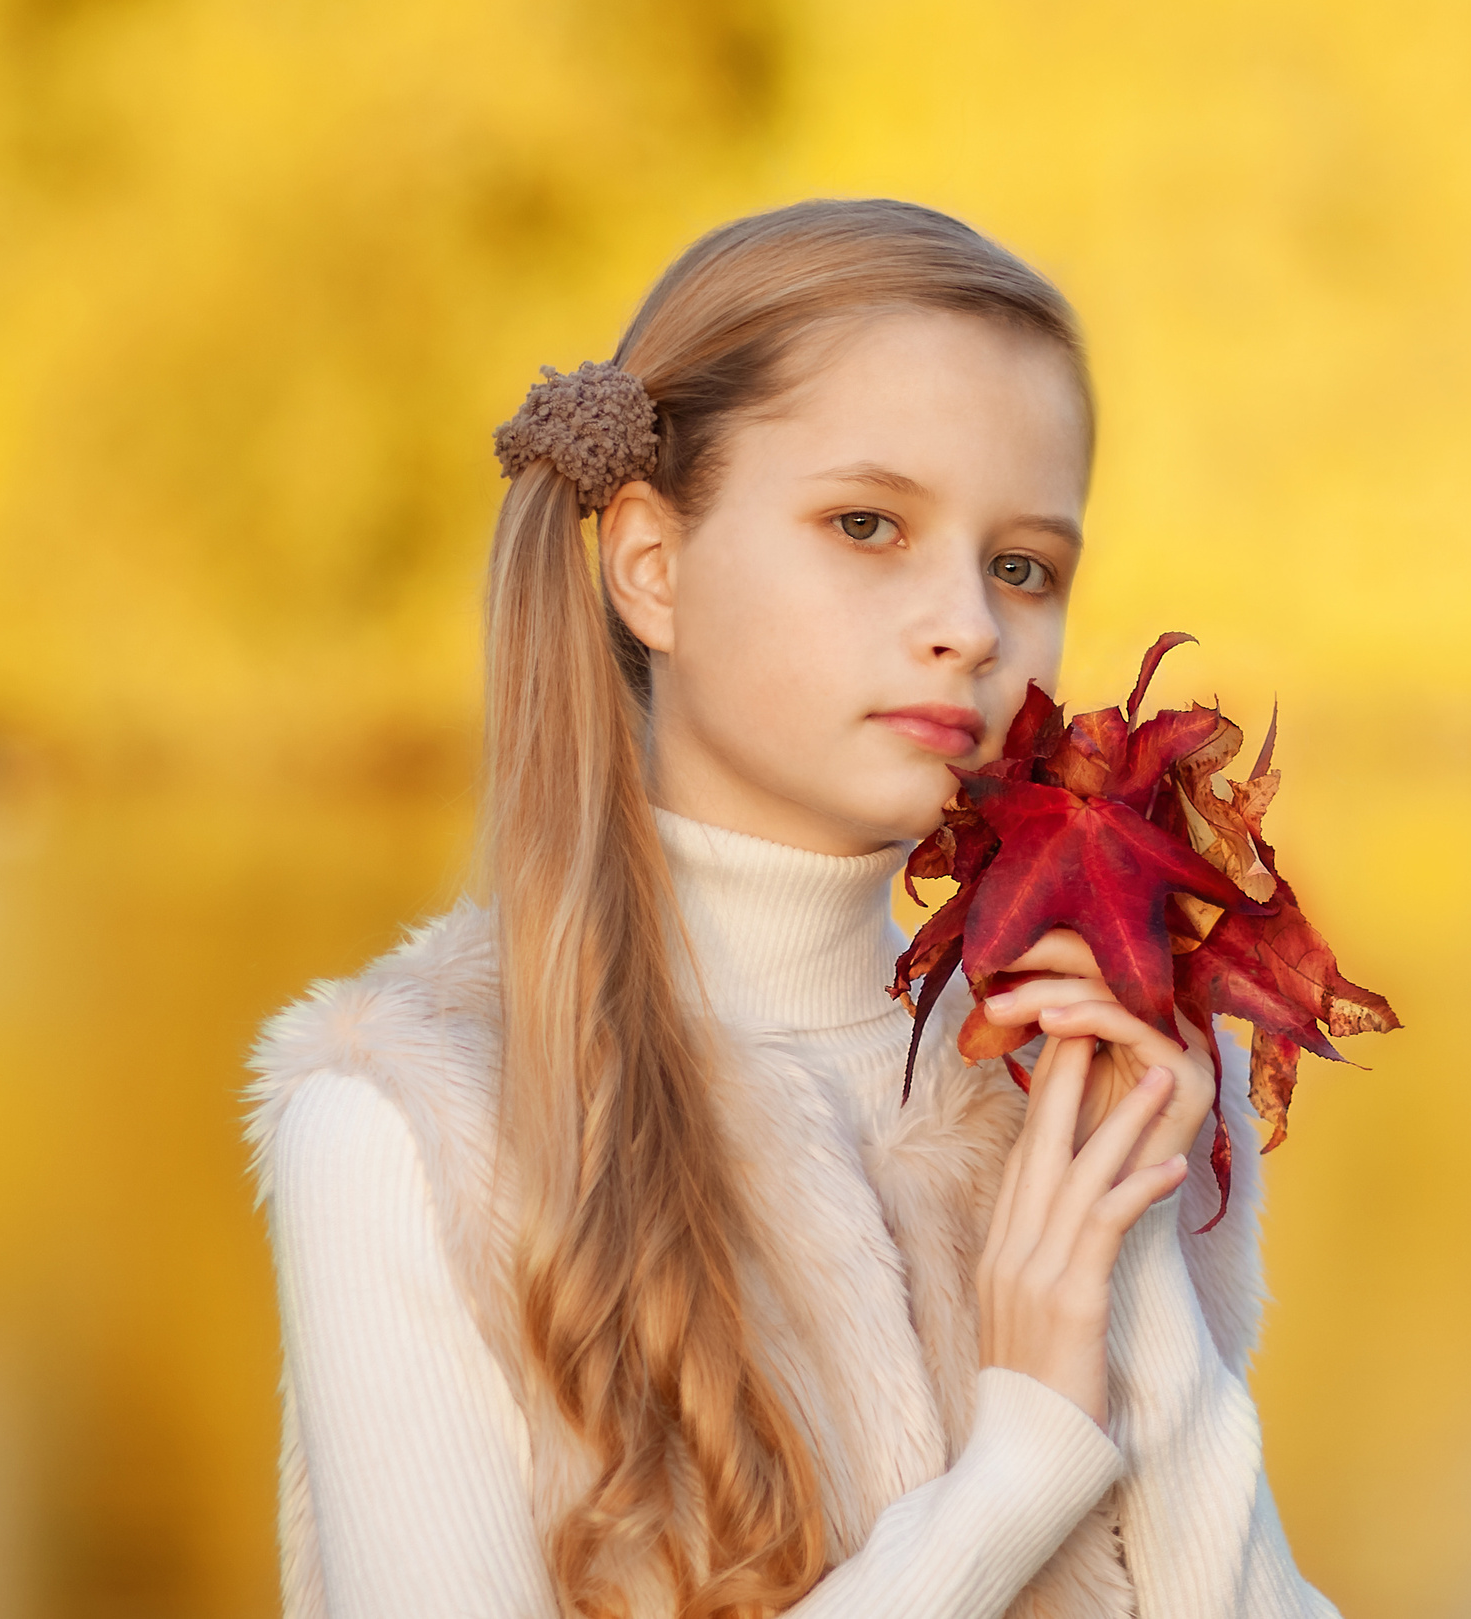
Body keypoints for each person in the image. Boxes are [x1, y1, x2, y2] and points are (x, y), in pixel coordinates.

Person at [247, 198, 1337, 1619]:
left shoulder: (1070, 1062)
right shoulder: (418, 1122)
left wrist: (1131, 1282)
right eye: (867, 525)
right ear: (652, 566)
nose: (969, 623)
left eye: (1024, 565)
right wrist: (1014, 1476)